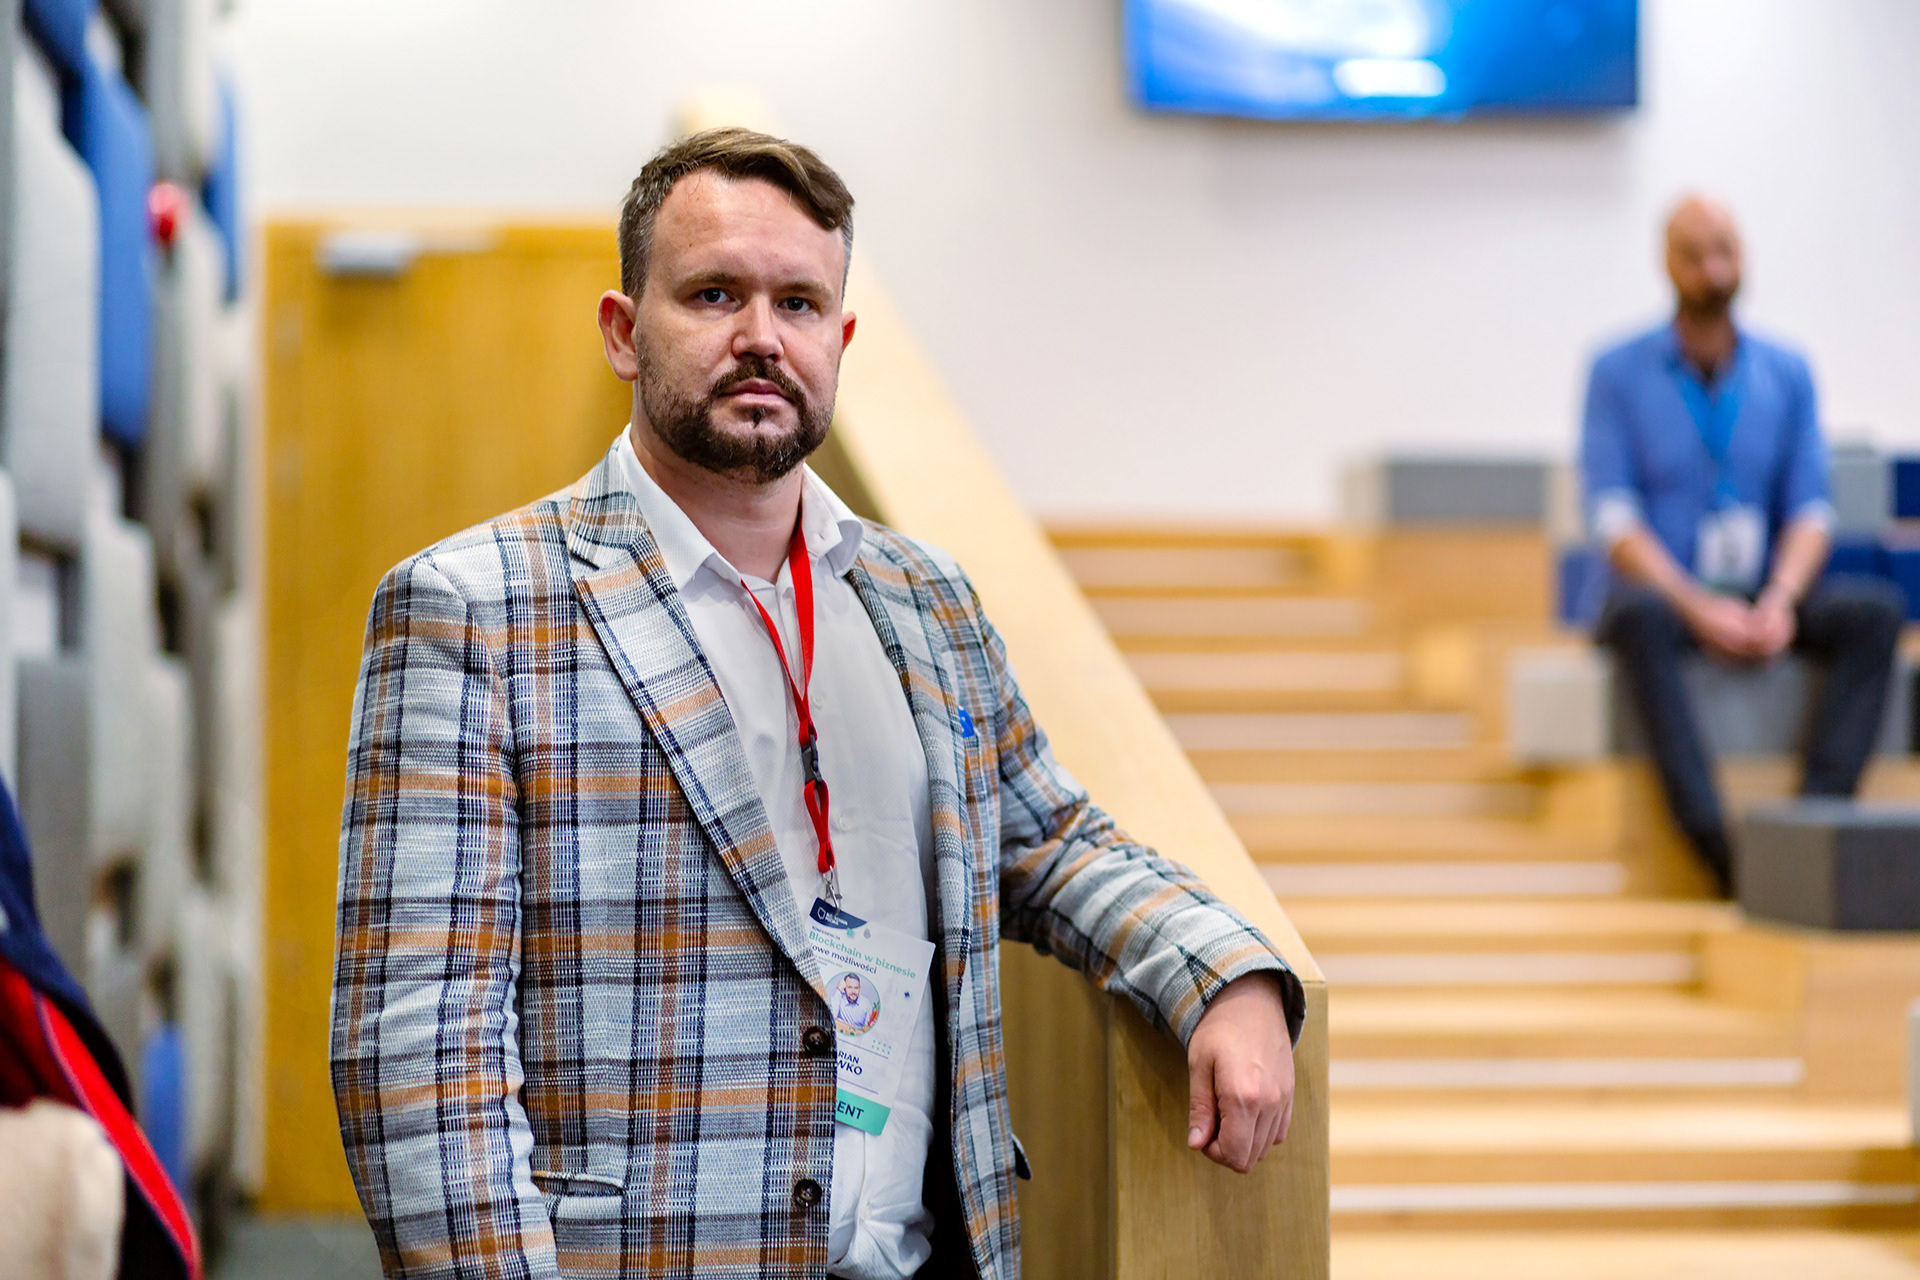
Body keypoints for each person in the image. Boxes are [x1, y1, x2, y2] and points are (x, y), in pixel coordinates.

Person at [330, 128, 1302, 1280]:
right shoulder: (474, 609)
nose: (760, 335)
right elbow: (421, 1061)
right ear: (624, 331)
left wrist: (1224, 970)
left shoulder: (926, 601)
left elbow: (1048, 841)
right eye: (714, 293)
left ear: (838, 341)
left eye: (797, 302)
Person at [1580, 194, 1904, 895]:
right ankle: (1716, 852)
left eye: (1724, 250)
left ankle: (1813, 828)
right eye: (1694, 255)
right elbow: (1613, 520)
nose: (1713, 270)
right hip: (1668, 596)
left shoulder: (1787, 371)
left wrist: (1780, 599)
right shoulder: (1616, 372)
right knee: (1636, 616)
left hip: (1762, 589)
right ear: (1667, 263)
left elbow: (1810, 510)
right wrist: (1696, 607)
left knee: (1875, 615)